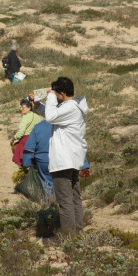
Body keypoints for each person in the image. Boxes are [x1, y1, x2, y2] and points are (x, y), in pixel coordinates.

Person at [31, 77, 88, 236]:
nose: (53, 96)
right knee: (74, 199)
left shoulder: (70, 107)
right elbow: (54, 116)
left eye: (55, 93)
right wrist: (37, 105)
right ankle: (78, 233)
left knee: (65, 202)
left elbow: (51, 117)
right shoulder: (74, 106)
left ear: (61, 93)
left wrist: (49, 96)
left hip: (63, 160)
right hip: (73, 159)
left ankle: (70, 237)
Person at [11, 99, 41, 166]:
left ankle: (29, 174)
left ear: (29, 108)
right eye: (21, 107)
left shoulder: (25, 117)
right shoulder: (37, 116)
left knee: (24, 162)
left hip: (26, 141)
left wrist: (14, 138)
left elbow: (21, 132)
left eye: (23, 107)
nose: (21, 109)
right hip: (37, 140)